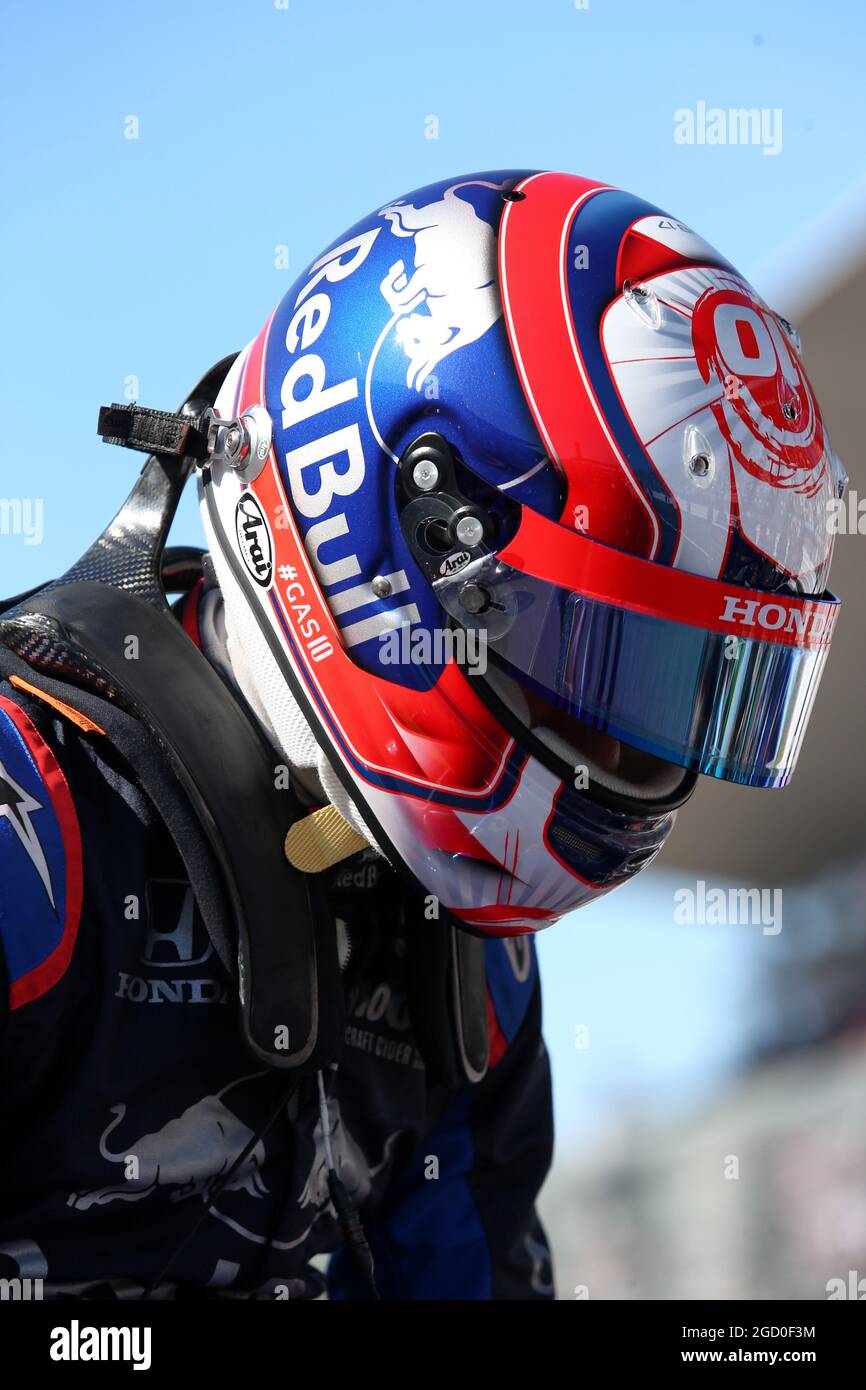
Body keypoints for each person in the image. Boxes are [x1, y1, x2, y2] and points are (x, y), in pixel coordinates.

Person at [0, 170, 844, 1300]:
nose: (631, 741)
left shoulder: (469, 955)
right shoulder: (31, 828)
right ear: (388, 531)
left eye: (678, 684)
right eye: (595, 655)